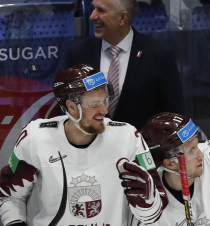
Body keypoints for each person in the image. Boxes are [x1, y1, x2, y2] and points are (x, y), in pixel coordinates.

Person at [0, 64, 166, 226]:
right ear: (71, 107)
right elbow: (10, 195)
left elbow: (155, 210)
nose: (104, 110)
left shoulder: (128, 138)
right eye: (94, 104)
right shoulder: (35, 138)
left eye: (105, 100)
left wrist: (148, 202)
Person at [66, 0, 184, 130]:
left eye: (101, 10)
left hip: (141, 147)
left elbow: (174, 115)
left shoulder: (158, 54)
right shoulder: (78, 53)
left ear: (122, 18)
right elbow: (67, 109)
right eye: (93, 9)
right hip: (90, 147)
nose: (92, 16)